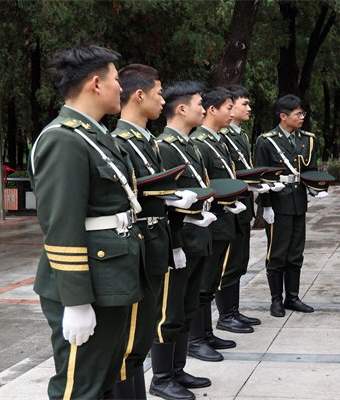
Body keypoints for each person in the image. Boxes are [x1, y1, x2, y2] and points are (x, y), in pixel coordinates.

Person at [30, 45, 143, 399]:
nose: (120, 88)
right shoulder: (64, 139)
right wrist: (76, 301)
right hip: (90, 285)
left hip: (110, 278)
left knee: (103, 383)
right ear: (96, 83)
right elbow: (62, 224)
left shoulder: (95, 137)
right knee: (80, 389)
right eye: (115, 79)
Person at [111, 64, 199, 399]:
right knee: (131, 339)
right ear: (139, 95)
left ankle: (158, 381)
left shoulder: (149, 143)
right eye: (159, 93)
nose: (163, 100)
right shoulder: (120, 143)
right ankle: (158, 380)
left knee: (142, 335)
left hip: (157, 243)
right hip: (139, 247)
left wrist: (175, 237)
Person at [153, 81, 217, 400]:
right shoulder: (164, 147)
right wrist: (175, 243)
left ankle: (177, 370)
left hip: (197, 238)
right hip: (179, 242)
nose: (203, 110)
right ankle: (161, 377)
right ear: (181, 109)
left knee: (186, 306)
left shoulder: (190, 146)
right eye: (199, 104)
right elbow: (163, 200)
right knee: (169, 311)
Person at [187, 87, 251, 362]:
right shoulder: (200, 142)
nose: (231, 112)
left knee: (211, 281)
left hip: (224, 219)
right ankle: (196, 340)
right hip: (211, 221)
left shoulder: (218, 141)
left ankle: (207, 333)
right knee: (203, 283)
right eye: (228, 107)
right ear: (212, 110)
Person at [253, 94, 320, 317]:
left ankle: (292, 297)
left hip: (298, 203)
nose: (302, 117)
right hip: (277, 204)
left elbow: (311, 169)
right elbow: (261, 176)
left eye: (303, 113)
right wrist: (265, 207)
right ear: (283, 116)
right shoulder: (266, 141)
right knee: (277, 253)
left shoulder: (307, 139)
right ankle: (276, 299)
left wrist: (317, 188)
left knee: (296, 253)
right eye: (298, 114)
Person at [215, 84, 263, 332]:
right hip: (229, 207)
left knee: (239, 262)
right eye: (244, 104)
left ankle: (233, 310)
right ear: (230, 107)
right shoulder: (221, 136)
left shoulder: (241, 135)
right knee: (228, 264)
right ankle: (225, 315)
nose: (249, 108)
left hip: (242, 206)